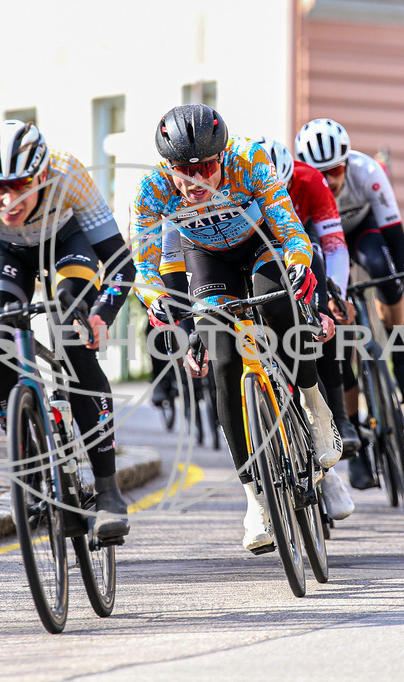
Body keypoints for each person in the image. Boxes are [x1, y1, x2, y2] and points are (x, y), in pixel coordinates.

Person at [131, 104, 355, 553]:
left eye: (207, 168)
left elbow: (290, 229)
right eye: (184, 170)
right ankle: (255, 499)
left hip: (260, 244)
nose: (196, 180)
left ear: (222, 156)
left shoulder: (248, 159)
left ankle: (314, 406)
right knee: (224, 364)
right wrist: (159, 303)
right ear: (167, 166)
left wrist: (298, 264)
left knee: (280, 307)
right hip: (207, 259)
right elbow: (145, 263)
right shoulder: (151, 189)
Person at [0, 120, 136, 541]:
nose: (9, 199)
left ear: (41, 175)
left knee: (71, 332)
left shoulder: (68, 173)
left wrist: (101, 315)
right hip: (2, 250)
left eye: (20, 186)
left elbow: (120, 265)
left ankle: (108, 491)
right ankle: (30, 456)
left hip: (67, 243)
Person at [294, 118, 404, 488]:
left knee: (382, 269)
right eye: (320, 173)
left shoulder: (368, 172)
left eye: (336, 170)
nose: (329, 180)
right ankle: (355, 441)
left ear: (347, 162)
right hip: (321, 241)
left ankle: (401, 360)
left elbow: (394, 232)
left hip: (360, 233)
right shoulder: (298, 187)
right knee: (339, 337)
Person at [255, 136, 361, 458]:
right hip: (257, 248)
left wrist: (335, 295)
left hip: (300, 241)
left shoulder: (311, 180)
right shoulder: (236, 186)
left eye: (283, 189)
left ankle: (339, 415)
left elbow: (334, 246)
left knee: (321, 314)